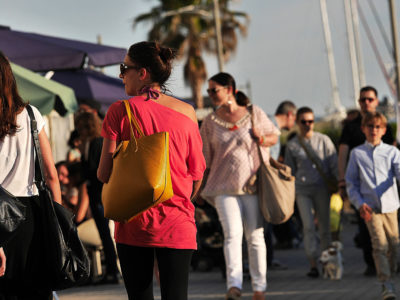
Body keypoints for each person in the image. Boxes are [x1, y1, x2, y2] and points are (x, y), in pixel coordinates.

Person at [97, 41, 206, 300]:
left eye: (125, 68)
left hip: (133, 223)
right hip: (177, 222)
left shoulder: (119, 111)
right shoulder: (188, 112)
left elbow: (103, 173)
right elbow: (197, 174)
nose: (121, 75)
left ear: (142, 73)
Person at [200, 72, 279, 300]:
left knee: (255, 235)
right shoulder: (210, 122)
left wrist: (261, 138)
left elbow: (274, 135)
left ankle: (259, 287)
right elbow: (205, 158)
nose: (211, 95)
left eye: (214, 90)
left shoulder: (254, 113)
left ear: (230, 89)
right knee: (232, 235)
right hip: (223, 187)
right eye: (209, 91)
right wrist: (197, 186)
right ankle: (234, 286)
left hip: (252, 185)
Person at [0, 51, 62, 299]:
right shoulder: (32, 115)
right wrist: (57, 224)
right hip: (32, 215)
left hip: (1, 213)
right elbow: (51, 174)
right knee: (36, 289)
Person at [337, 86, 395, 277]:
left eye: (370, 99)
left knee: (393, 242)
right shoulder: (353, 134)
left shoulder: (388, 140)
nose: (366, 103)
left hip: (389, 200)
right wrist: (342, 183)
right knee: (373, 238)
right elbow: (343, 154)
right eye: (363, 100)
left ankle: (391, 268)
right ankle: (381, 276)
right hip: (365, 197)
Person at [345, 112, 399, 300]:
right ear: (363, 129)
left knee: (394, 245)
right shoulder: (357, 153)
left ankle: (391, 274)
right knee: (379, 246)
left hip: (391, 206)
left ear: (384, 130)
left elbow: (398, 172)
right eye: (370, 126)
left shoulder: (392, 152)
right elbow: (351, 182)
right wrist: (360, 204)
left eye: (377, 127)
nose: (373, 130)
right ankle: (386, 283)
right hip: (370, 208)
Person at [284, 106, 338, 278]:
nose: (308, 125)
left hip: (322, 187)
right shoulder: (292, 146)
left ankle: (327, 262)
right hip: (302, 189)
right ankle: (313, 263)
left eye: (311, 121)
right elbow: (289, 171)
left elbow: (334, 164)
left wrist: (339, 185)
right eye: (304, 122)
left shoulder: (324, 140)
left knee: (324, 226)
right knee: (308, 226)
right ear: (298, 123)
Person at [75, 111, 120, 284]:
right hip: (95, 195)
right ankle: (111, 269)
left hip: (100, 195)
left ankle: (112, 271)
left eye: (81, 128)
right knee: (104, 235)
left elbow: (96, 170)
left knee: (106, 235)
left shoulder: (96, 143)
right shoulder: (89, 143)